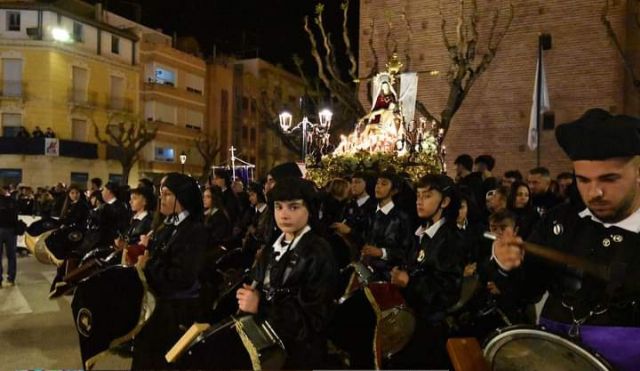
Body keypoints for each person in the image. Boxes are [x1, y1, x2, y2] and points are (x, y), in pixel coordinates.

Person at [493, 108, 640, 370]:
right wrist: (507, 267)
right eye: (583, 180)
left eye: (610, 179)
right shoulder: (560, 221)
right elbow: (525, 293)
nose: (595, 192)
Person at [235, 177, 339, 369]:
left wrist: (261, 306)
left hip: (299, 354)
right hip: (268, 344)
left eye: (293, 207)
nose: (284, 215)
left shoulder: (318, 252)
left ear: (310, 209)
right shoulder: (272, 247)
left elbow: (315, 317)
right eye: (278, 207)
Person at [388, 174, 465, 369]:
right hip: (414, 321)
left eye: (427, 196)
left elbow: (447, 291)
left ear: (445, 202)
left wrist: (409, 282)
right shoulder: (423, 233)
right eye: (418, 195)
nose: (419, 201)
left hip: (432, 330)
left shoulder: (450, 240)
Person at [132, 173, 207, 370]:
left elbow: (183, 277)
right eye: (160, 194)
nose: (161, 200)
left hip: (176, 310)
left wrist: (148, 265)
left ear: (182, 197)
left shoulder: (194, 230)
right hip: (159, 301)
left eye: (166, 195)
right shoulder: (169, 224)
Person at [0, 186, 19, 287]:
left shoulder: (12, 200)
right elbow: (15, 215)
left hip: (3, 229)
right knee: (11, 255)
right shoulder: (13, 201)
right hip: (11, 230)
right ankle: (11, 278)